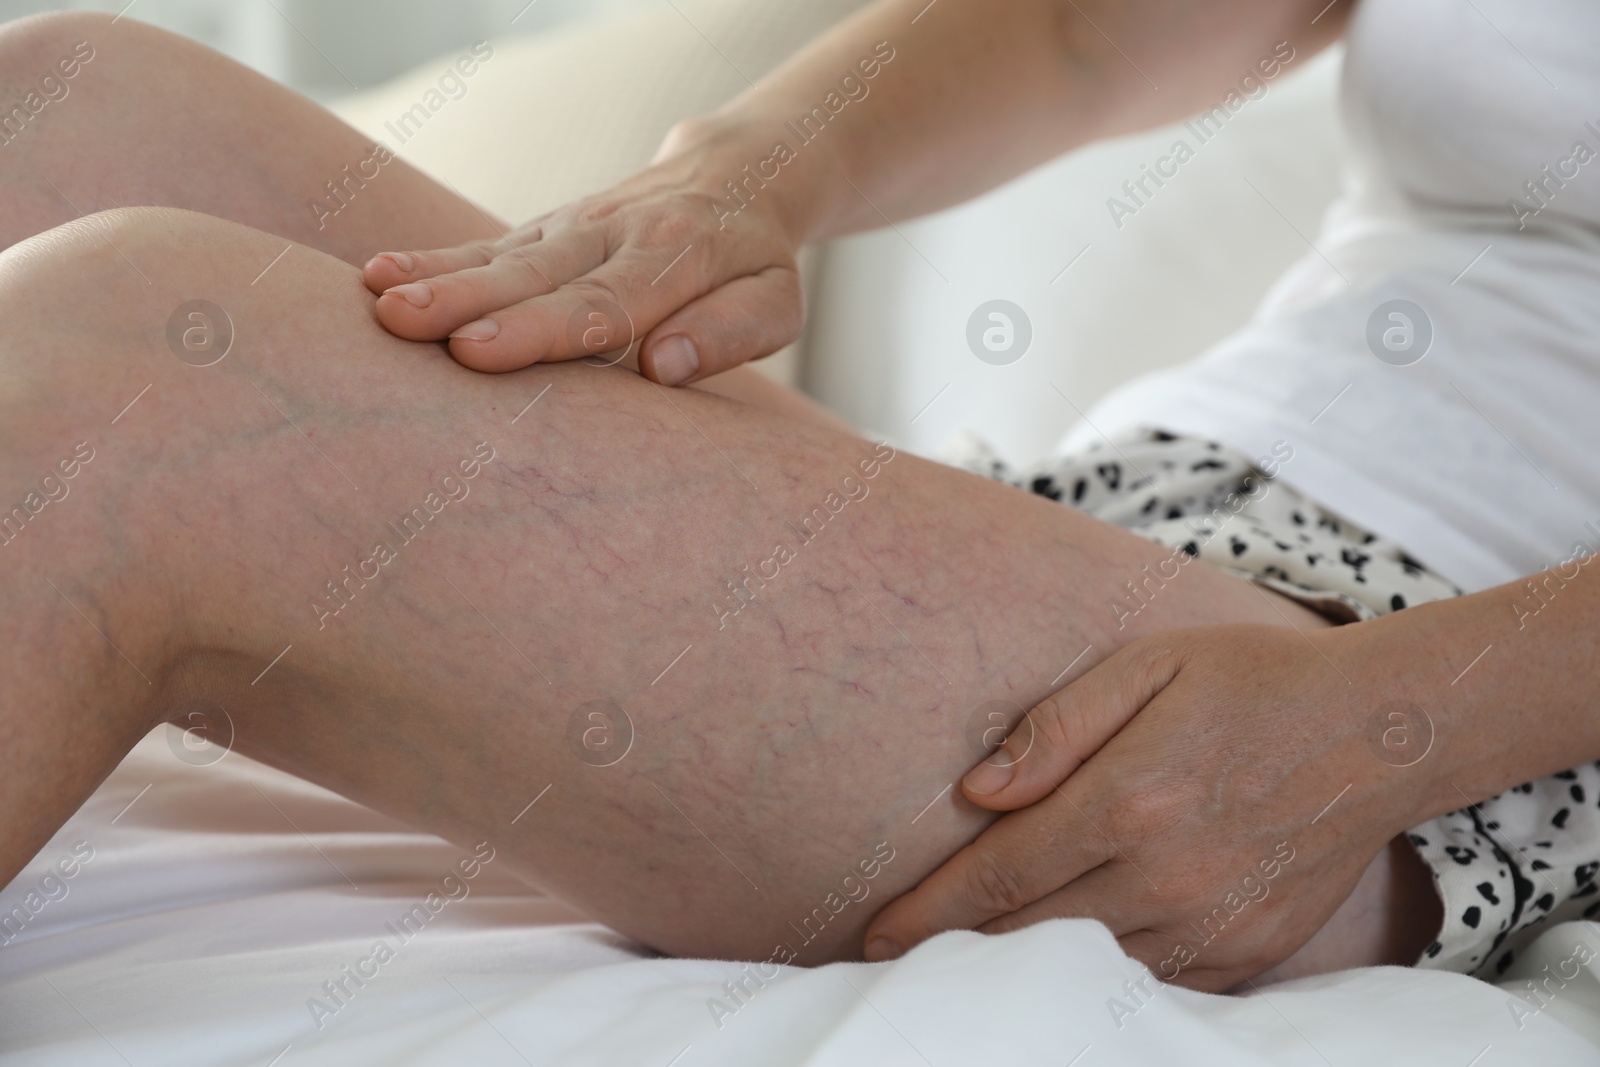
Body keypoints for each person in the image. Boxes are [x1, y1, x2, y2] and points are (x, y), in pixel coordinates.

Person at [0, 1, 1591, 1001]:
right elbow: (1085, 32)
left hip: (1449, 683)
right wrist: (747, 171)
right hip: (1151, 502)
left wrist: (1394, 719)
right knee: (65, 103)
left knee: (123, 368)